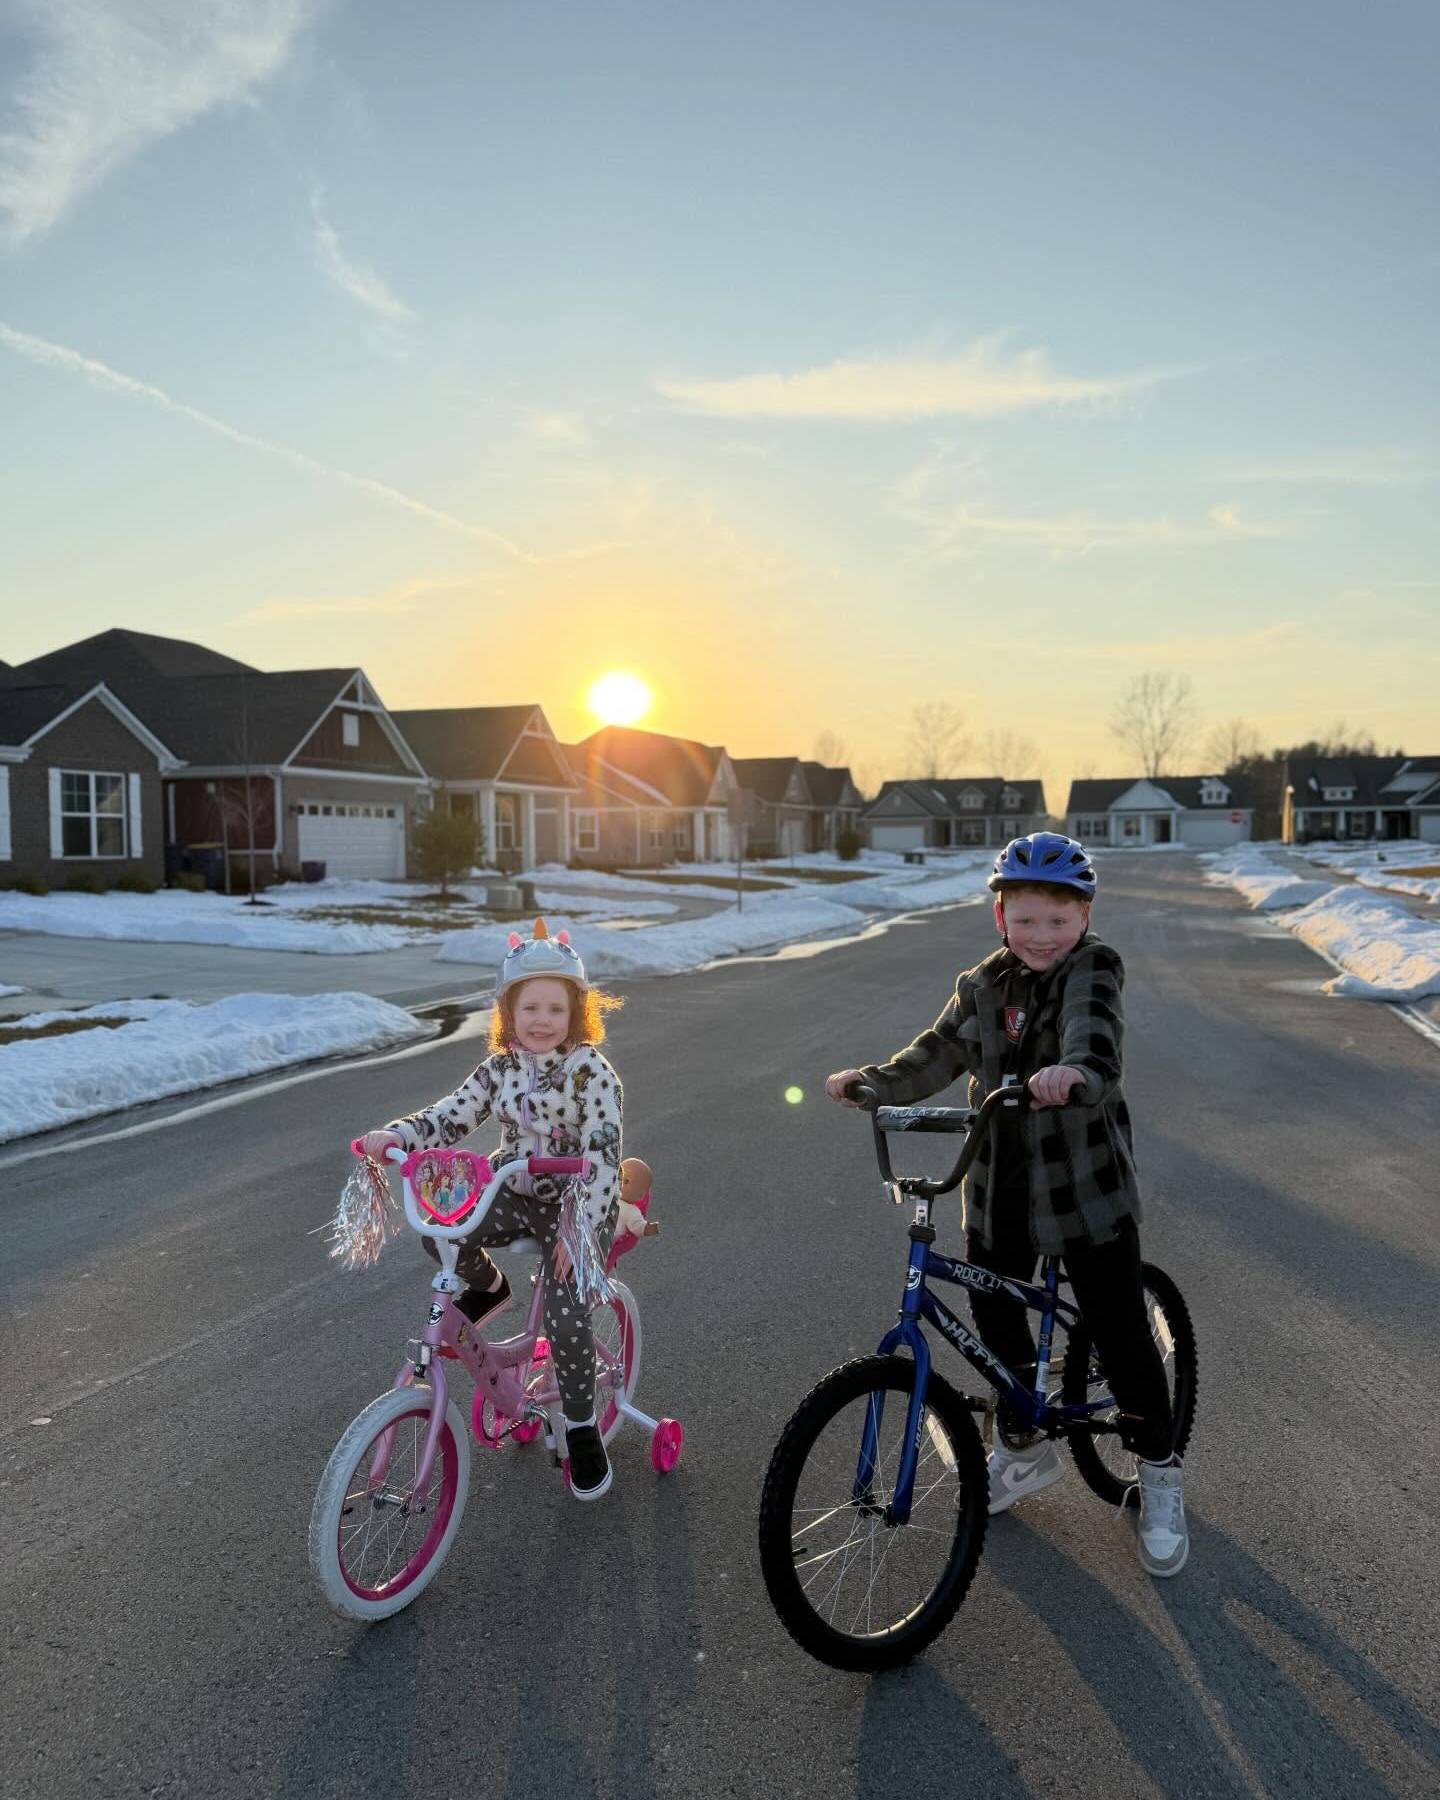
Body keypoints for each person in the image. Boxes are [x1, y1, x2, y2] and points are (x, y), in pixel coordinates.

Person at [825, 832, 1188, 1578]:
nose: (1042, 936)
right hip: (1000, 1184)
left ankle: (1159, 1474)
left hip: (1083, 1187)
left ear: (1084, 917)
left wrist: (1074, 1073)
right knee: (991, 1308)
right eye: (1026, 920)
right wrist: (872, 1082)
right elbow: (936, 1052)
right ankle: (1022, 1448)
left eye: (1059, 920)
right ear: (1001, 918)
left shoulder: (1094, 970)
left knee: (1118, 1329)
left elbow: (1097, 1043)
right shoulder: (983, 983)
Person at [359, 918, 625, 1502]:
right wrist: (397, 1135)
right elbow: (451, 1115)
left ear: (576, 1013)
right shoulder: (499, 1069)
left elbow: (605, 1157)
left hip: (578, 1201)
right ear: (508, 1011)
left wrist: (577, 1231)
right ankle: (490, 1287)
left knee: (565, 1310)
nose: (541, 1020)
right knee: (441, 1227)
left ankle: (580, 1427)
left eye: (555, 1009)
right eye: (528, 1007)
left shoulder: (592, 1074)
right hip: (517, 1187)